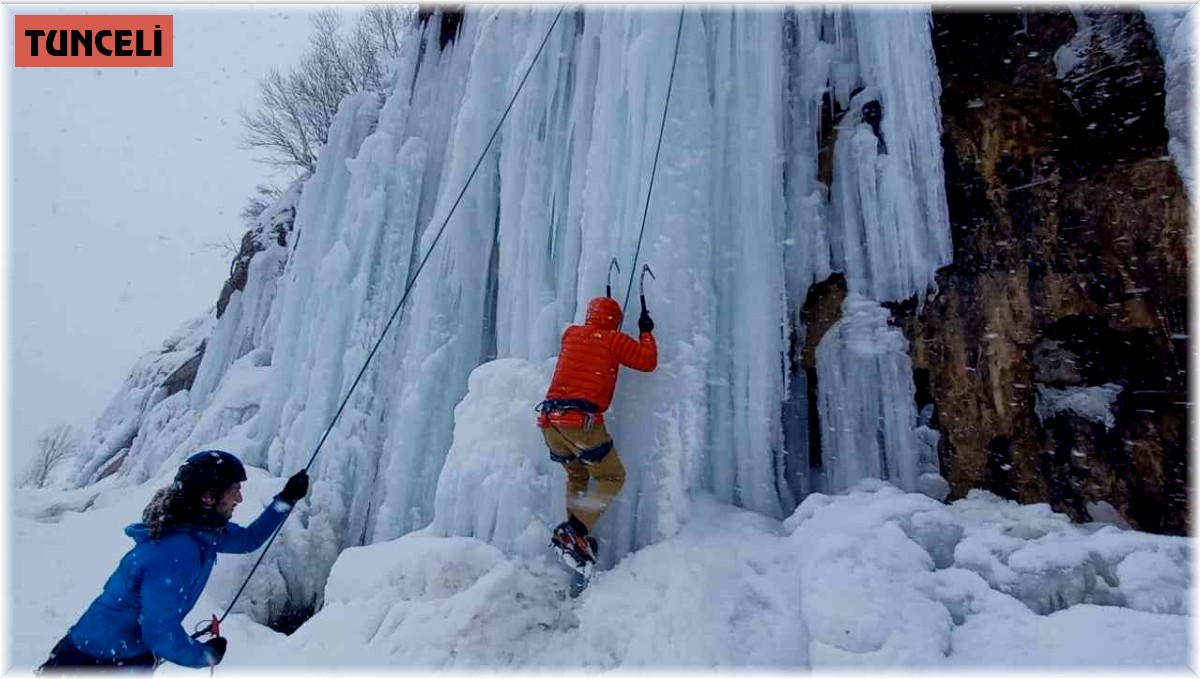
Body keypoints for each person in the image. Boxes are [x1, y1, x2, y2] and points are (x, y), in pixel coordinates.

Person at [38, 450, 309, 673]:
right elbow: (158, 632)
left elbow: (248, 539)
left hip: (114, 653)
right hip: (98, 661)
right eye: (234, 489)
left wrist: (285, 500)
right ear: (208, 497)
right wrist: (203, 656)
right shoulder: (177, 552)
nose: (239, 497)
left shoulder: (200, 532)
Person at [537, 294, 656, 567]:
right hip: (580, 424)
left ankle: (574, 535)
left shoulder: (571, 334)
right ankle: (575, 532)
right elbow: (647, 361)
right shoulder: (612, 339)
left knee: (577, 473)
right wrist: (645, 331)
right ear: (614, 321)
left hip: (549, 422)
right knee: (612, 476)